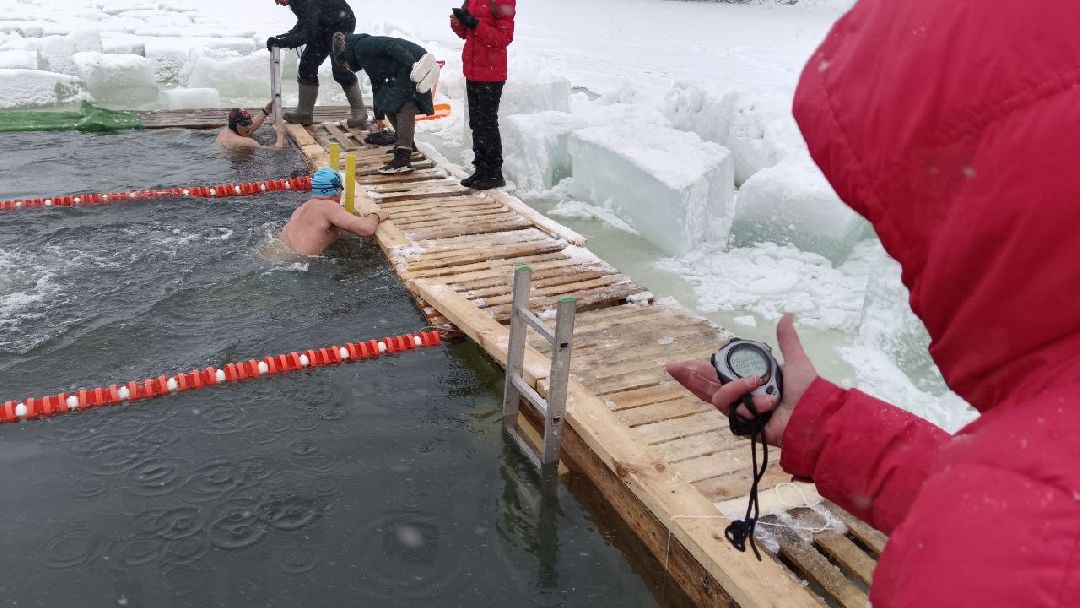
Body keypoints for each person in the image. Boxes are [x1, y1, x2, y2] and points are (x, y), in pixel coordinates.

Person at [668, 1, 1080, 605]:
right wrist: (823, 425)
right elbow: (1031, 506)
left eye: (900, 230)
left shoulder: (992, 563)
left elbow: (1018, 529)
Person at [331, 32, 438, 174]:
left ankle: (403, 158)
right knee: (388, 101)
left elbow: (390, 46)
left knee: (404, 106)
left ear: (345, 57)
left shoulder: (362, 46)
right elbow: (377, 84)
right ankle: (407, 145)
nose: (347, 68)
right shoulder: (362, 57)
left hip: (416, 62)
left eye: (343, 65)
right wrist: (379, 115)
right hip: (404, 67)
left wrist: (412, 64)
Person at [266, 0, 367, 128]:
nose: (277, 3)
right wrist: (284, 37)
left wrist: (284, 42)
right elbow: (304, 24)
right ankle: (304, 113)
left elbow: (308, 32)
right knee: (307, 65)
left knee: (340, 69)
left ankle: (360, 112)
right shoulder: (295, 2)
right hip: (323, 26)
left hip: (341, 24)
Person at [450, 0, 515, 190]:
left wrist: (474, 23)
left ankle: (494, 174)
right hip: (473, 71)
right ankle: (481, 169)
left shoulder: (503, 1)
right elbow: (467, 34)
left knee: (487, 124)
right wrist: (459, 23)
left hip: (491, 74)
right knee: (476, 123)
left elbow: (503, 39)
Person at [279, 167, 389, 256]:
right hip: (301, 263)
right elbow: (366, 229)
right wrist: (375, 216)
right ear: (336, 191)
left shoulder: (302, 208)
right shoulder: (329, 207)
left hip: (282, 253)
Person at [217, 105, 286, 149]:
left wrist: (265, 111)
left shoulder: (225, 132)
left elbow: (249, 126)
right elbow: (276, 149)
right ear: (234, 125)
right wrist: (280, 134)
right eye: (245, 124)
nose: (249, 127)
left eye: (250, 123)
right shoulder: (246, 142)